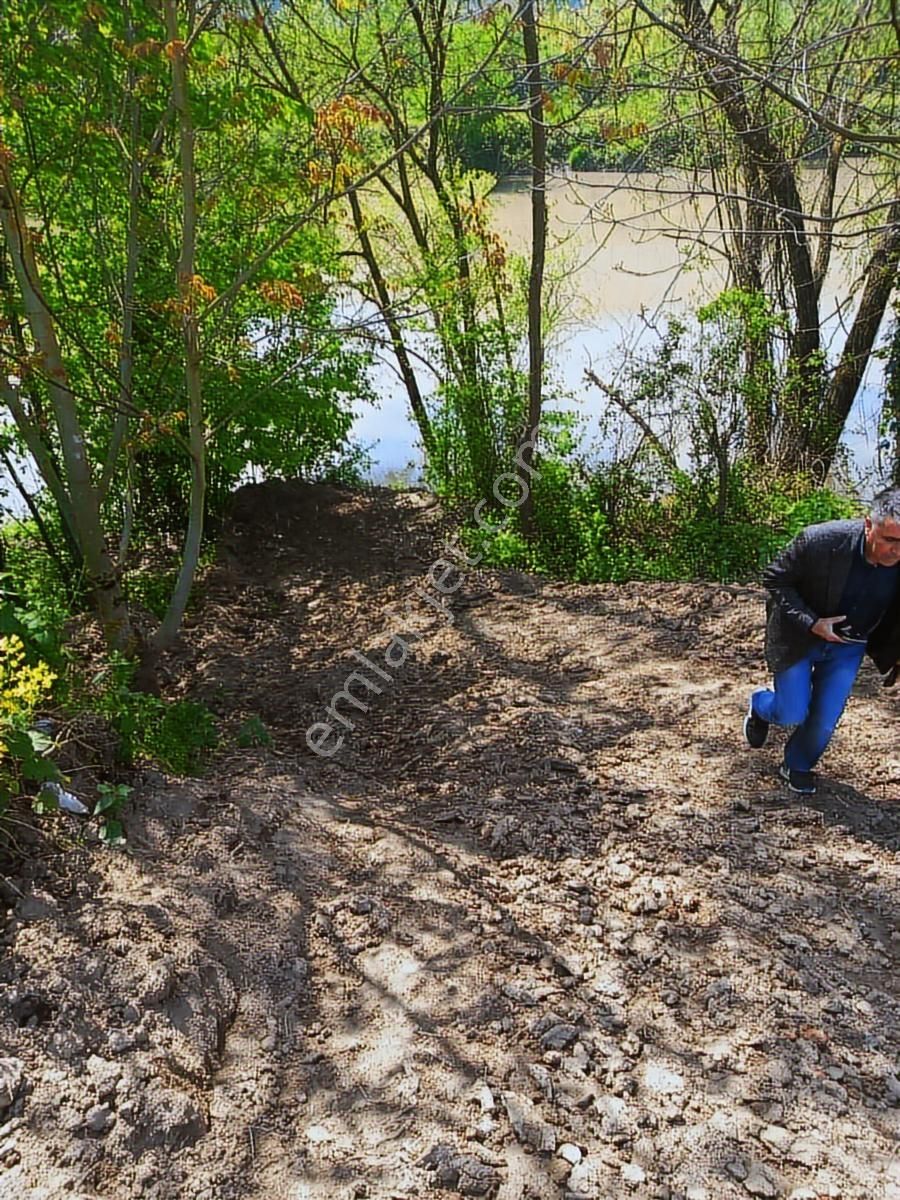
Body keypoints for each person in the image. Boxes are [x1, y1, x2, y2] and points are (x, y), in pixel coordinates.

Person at [744, 486, 900, 794]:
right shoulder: (821, 540)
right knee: (791, 711)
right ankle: (760, 706)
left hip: (850, 645)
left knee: (825, 720)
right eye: (890, 540)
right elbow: (775, 578)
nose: (897, 551)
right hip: (800, 636)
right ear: (868, 525)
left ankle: (797, 764)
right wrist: (812, 623)